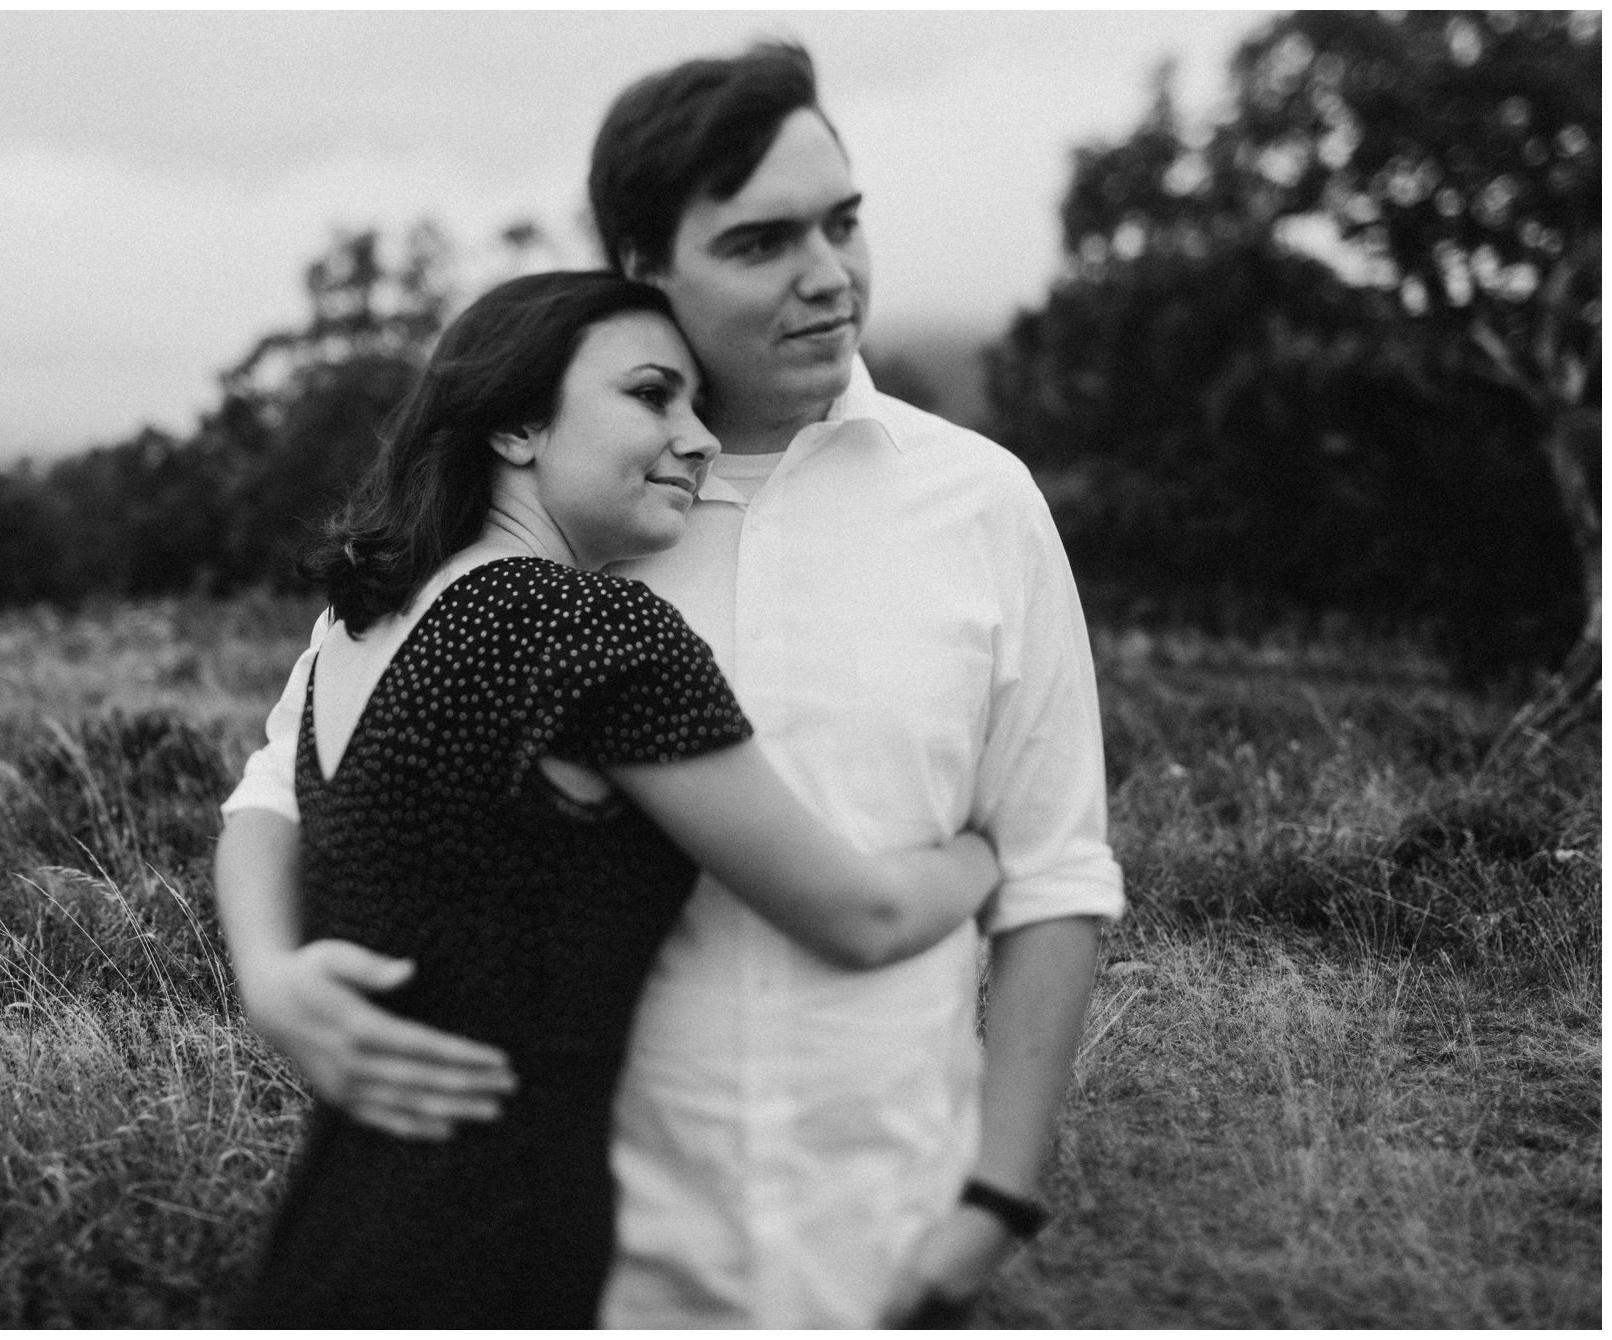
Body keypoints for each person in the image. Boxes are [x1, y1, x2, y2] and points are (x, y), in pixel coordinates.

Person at [225, 41, 1126, 1327]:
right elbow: (277, 777)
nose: (827, 276)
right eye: (761, 242)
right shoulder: (572, 524)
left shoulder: (979, 502)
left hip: (877, 1238)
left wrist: (993, 1200)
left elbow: (1054, 870)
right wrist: (269, 973)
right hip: (594, 1254)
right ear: (644, 264)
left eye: (844, 221)